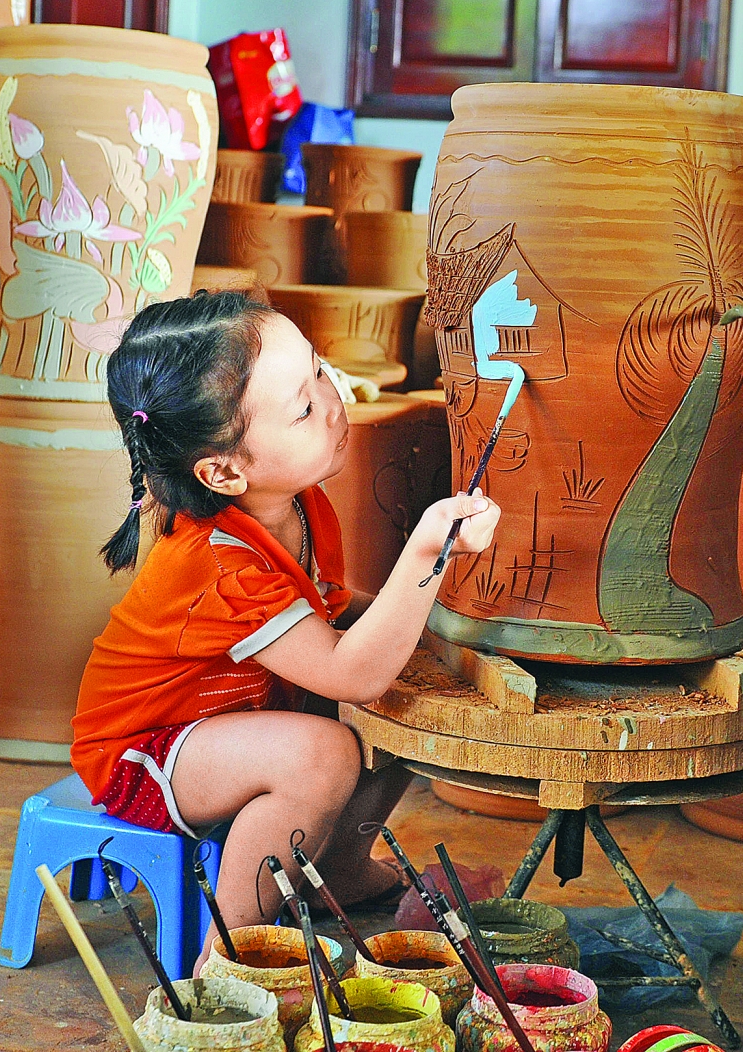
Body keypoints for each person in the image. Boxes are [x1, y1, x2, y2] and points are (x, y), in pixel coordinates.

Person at [70, 291, 500, 952]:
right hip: (149, 751)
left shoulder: (301, 505)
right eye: (303, 406)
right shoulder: (216, 563)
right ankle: (232, 953)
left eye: (321, 371)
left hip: (232, 723)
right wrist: (426, 553)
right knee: (322, 751)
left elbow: (328, 615)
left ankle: (341, 873)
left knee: (409, 696)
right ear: (224, 471)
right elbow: (348, 671)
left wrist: (432, 641)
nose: (333, 404)